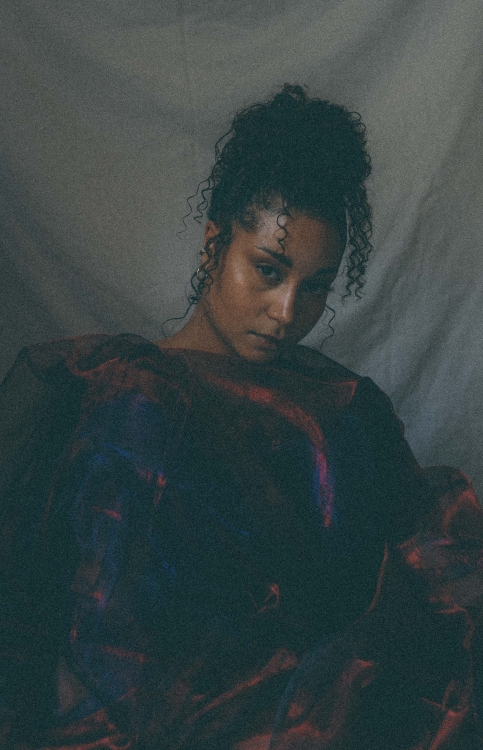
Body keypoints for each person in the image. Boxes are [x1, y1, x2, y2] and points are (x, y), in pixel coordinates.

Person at [0, 84, 482, 749]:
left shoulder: (342, 400)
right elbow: (118, 655)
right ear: (213, 245)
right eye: (268, 270)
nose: (287, 312)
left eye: (315, 286)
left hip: (361, 696)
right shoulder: (134, 401)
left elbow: (411, 546)